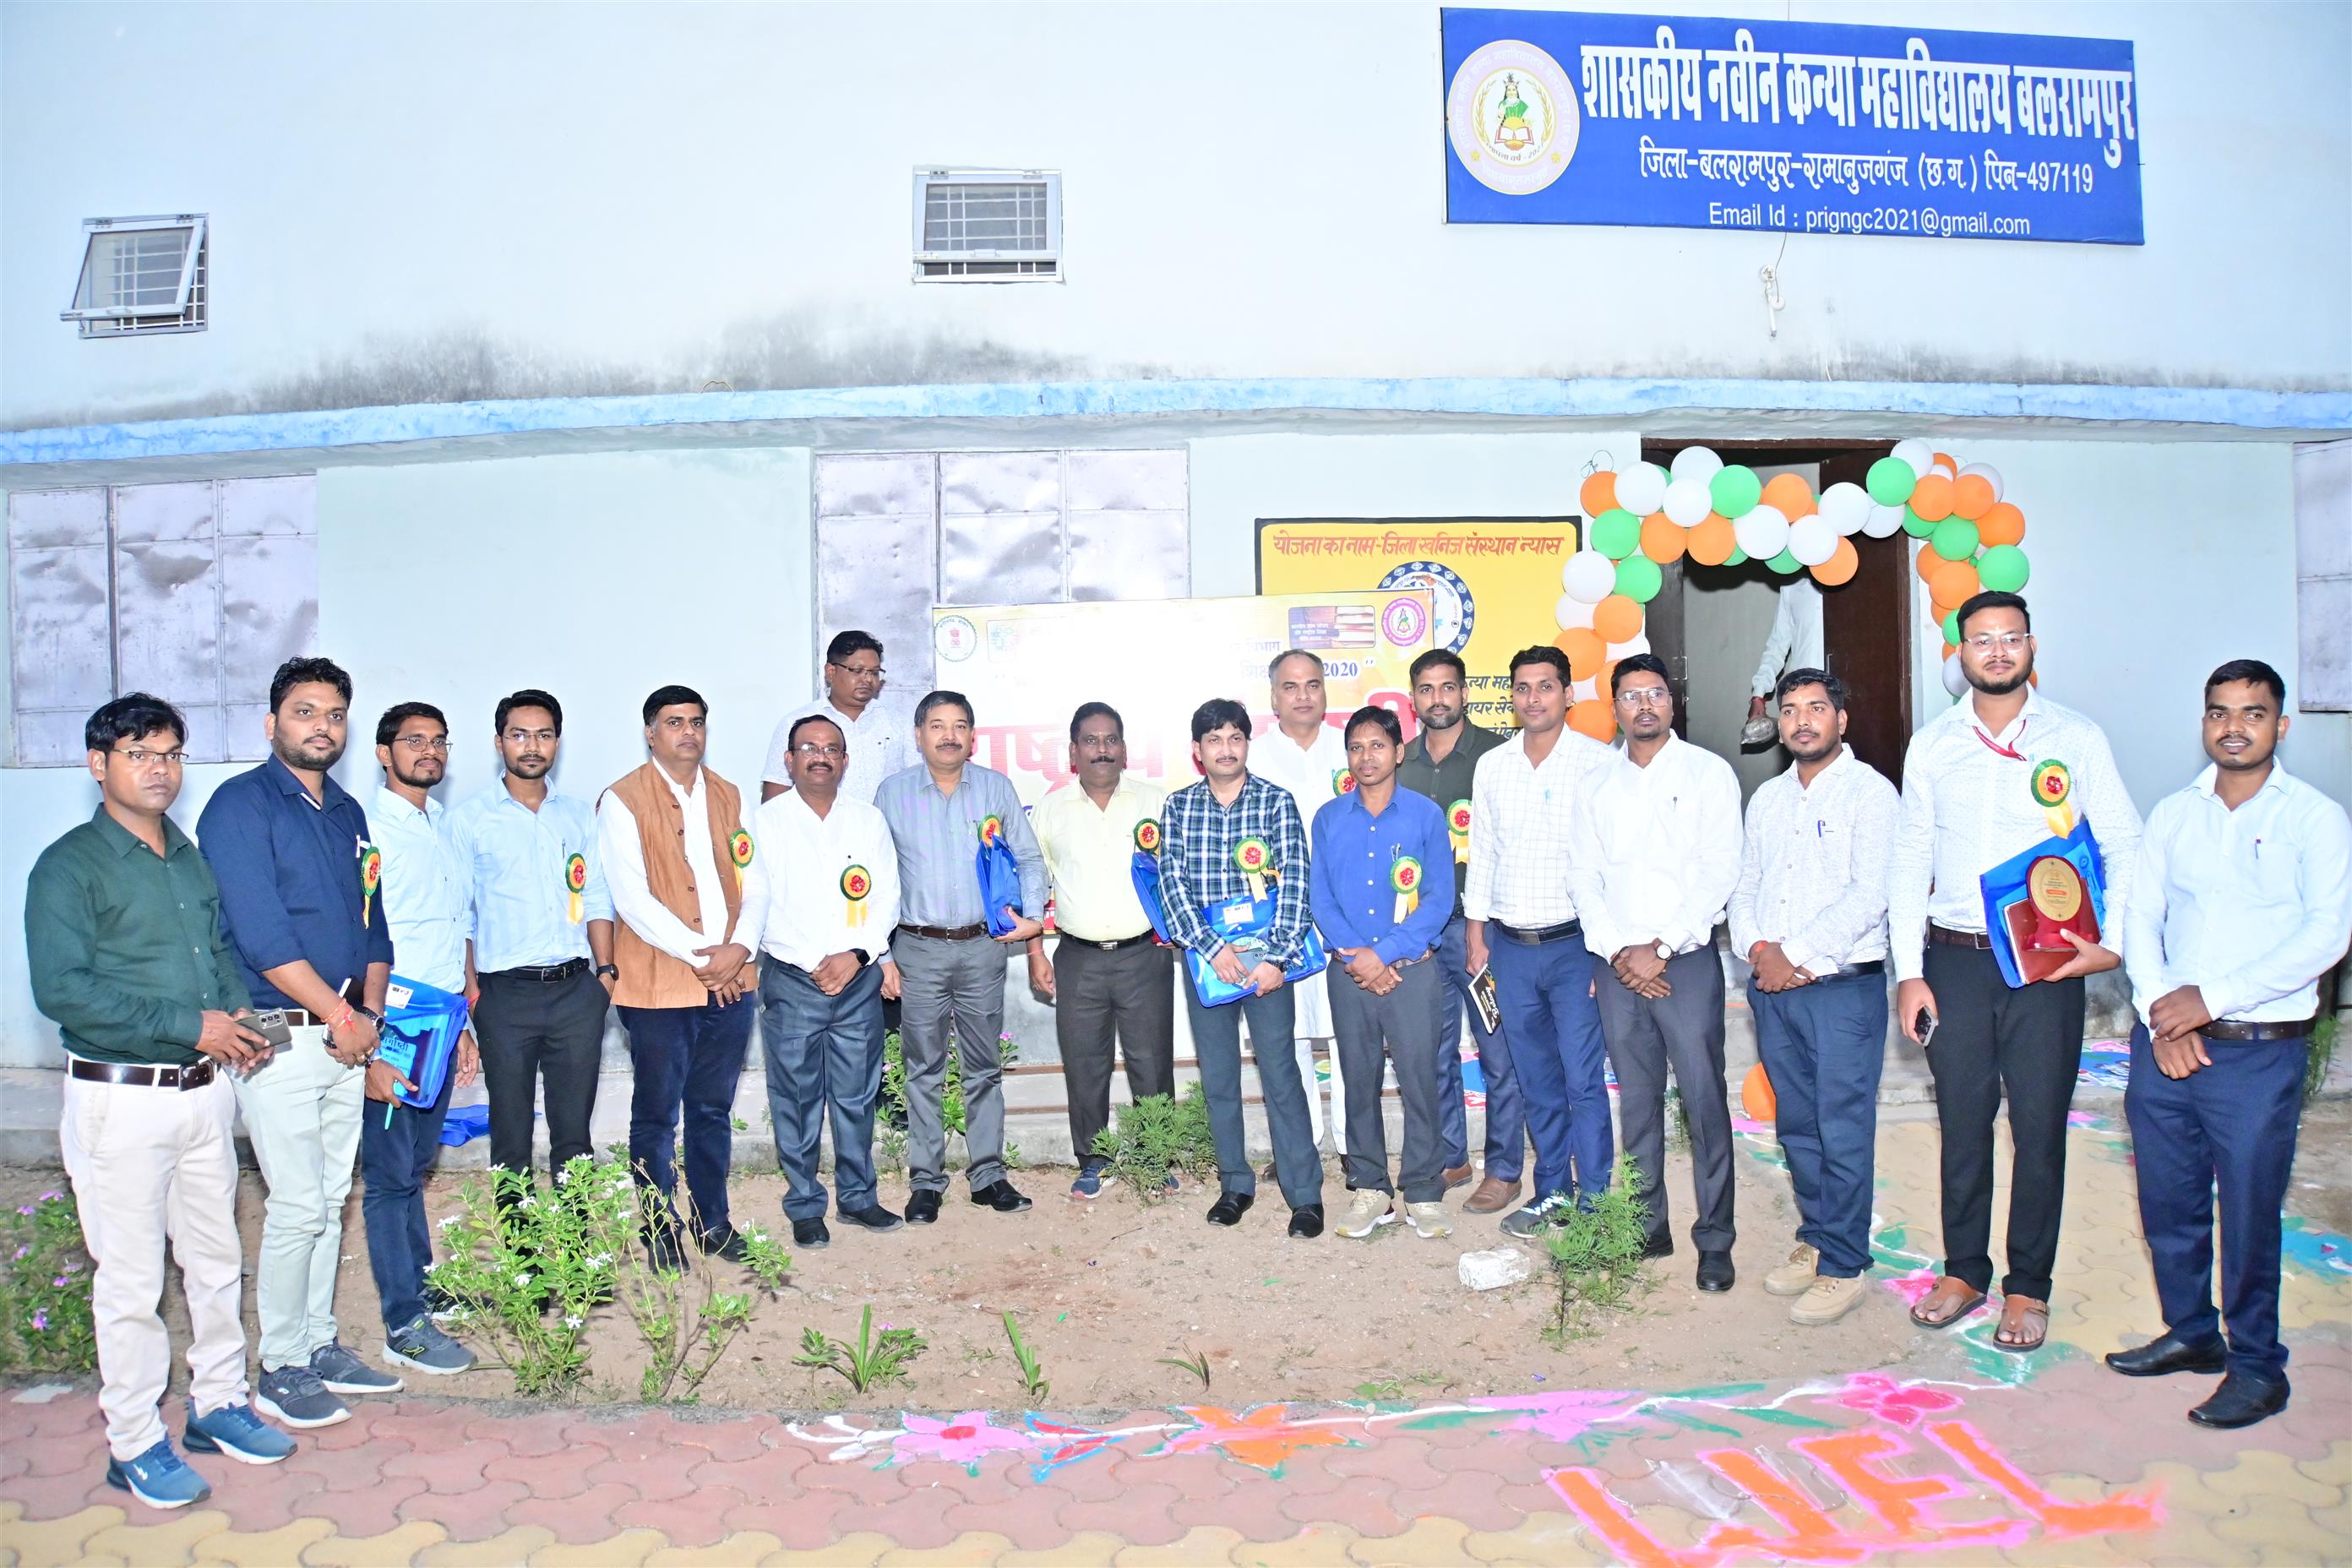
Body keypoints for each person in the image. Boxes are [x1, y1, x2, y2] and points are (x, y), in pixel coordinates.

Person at [28, 694, 296, 1508]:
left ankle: (218, 1403)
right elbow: (63, 991)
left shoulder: (187, 857)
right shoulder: (68, 866)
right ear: (98, 764)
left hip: (204, 1095)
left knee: (214, 1263)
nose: (160, 770)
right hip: (122, 1102)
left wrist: (239, 1020)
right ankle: (135, 1440)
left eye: (172, 754)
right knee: (132, 1281)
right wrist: (192, 1025)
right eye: (140, 754)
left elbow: (216, 953)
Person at [1892, 591, 2141, 1353]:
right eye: (1981, 640)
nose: (1997, 651)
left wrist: (2113, 945)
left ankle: (2028, 1286)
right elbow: (1909, 859)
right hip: (1954, 961)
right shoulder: (1932, 745)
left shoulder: (2076, 738)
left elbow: (2124, 841)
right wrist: (1910, 972)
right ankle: (1964, 1272)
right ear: (1960, 653)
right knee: (1962, 1126)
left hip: (2046, 967)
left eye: (2011, 638)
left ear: (2032, 647)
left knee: (2038, 1129)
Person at [2110, 659, 2352, 1429]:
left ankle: (2257, 1368)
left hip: (2256, 1051)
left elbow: (2327, 935)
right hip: (2168, 1045)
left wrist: (2208, 1001)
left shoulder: (2315, 819)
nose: (2234, 727)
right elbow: (2141, 918)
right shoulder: (2174, 814)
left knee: (2248, 1212)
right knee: (2168, 1202)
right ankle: (2192, 1334)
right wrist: (2162, 1014)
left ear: (2281, 725)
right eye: (2220, 712)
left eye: (2252, 713)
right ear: (2204, 722)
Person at [197, 656, 400, 1428]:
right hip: (278, 1036)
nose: (322, 726)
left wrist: (367, 1019)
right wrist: (344, 1018)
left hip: (346, 1037)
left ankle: (318, 1343)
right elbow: (263, 936)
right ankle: (279, 1364)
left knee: (330, 1198)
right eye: (305, 712)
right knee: (294, 1204)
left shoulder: (347, 812)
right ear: (272, 722)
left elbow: (372, 924)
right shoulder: (240, 806)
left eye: (334, 714)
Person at [1727, 669, 1899, 1325]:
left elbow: (1870, 893)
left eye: (1816, 708)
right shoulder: (1768, 799)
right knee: (1798, 1125)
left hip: (1841, 991)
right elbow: (1745, 886)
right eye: (1791, 710)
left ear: (1841, 720)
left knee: (1842, 1128)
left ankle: (1845, 1265)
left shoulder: (1871, 794)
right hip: (1775, 989)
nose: (1802, 720)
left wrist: (1791, 954)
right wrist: (1758, 950)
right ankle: (1819, 1236)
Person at [1568, 653, 1745, 1290]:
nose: (1645, 705)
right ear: (1614, 708)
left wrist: (1662, 947)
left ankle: (1715, 1240)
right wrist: (1620, 950)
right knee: (1638, 1103)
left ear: (1673, 703)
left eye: (1656, 694)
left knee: (1703, 1102)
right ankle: (1647, 1228)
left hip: (1685, 962)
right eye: (1631, 695)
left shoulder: (1708, 773)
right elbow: (1582, 875)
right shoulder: (1595, 785)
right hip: (1617, 965)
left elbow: (1721, 870)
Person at [597, 685, 758, 1268]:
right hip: (658, 983)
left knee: (712, 1109)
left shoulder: (729, 795)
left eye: (696, 722)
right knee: (658, 1114)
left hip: (733, 978)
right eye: (674, 722)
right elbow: (631, 898)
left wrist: (740, 948)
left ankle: (712, 1222)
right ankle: (659, 1228)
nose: (688, 732)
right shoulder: (621, 799)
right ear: (650, 732)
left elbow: (756, 879)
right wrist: (708, 959)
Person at [874, 690, 1047, 1221]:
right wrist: (881, 954)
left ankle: (989, 1176)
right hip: (917, 949)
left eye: (959, 726)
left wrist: (1032, 919)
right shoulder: (892, 793)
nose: (949, 735)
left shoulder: (996, 788)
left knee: (983, 1067)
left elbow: (1029, 859)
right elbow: (875, 878)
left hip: (982, 948)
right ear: (919, 734)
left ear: (972, 735)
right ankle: (926, 1182)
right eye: (937, 725)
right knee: (922, 1068)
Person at [1464, 647, 1615, 1240]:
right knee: (1537, 1080)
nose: (1533, 698)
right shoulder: (1493, 766)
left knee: (1582, 1080)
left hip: (1575, 945)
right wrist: (1476, 932)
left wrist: (1605, 951)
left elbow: (1611, 862)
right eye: (1523, 688)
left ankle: (1596, 1200)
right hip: (1510, 947)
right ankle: (1552, 1189)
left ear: (1568, 694)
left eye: (1546, 686)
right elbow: (1484, 851)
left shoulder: (1598, 762)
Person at [739, 713, 906, 1249]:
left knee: (858, 1095)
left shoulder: (868, 820)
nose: (821, 756)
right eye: (809, 748)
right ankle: (805, 1204)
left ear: (845, 761)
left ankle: (858, 1198)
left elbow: (887, 896)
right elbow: (758, 902)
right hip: (793, 978)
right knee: (796, 1097)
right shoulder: (761, 823)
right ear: (789, 760)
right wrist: (816, 960)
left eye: (832, 749)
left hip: (857, 979)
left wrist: (857, 955)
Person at [1160, 699, 1326, 1234]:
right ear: (1197, 750)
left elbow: (1297, 882)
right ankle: (1234, 1184)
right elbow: (1172, 886)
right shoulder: (1179, 808)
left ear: (1247, 744)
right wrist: (1213, 948)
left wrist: (1276, 958)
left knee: (1281, 1072)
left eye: (1235, 738)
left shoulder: (1276, 802)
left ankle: (1305, 1194)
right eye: (1214, 739)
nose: (1225, 749)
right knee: (1219, 1077)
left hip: (1269, 965)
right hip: (1210, 962)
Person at [446, 689, 616, 1201]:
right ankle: (522, 1246)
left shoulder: (578, 815)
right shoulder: (469, 819)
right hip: (504, 997)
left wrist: (605, 974)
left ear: (557, 743)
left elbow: (596, 895)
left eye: (543, 735)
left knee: (574, 1134)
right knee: (510, 1131)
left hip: (575, 992)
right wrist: (470, 992)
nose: (532, 746)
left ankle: (576, 1240)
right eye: (519, 735)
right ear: (499, 742)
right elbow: (460, 913)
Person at [1312, 706, 1458, 1240]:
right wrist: (1358, 958)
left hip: (1412, 973)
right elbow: (1321, 897)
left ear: (1398, 752)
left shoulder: (1425, 816)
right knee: (1358, 1079)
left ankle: (1422, 1190)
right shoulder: (1328, 818)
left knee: (1421, 1080)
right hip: (1349, 974)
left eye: (1377, 745)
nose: (1366, 756)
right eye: (1356, 747)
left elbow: (1439, 898)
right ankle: (1370, 1188)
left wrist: (1387, 953)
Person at [362, 703, 477, 1375]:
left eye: (438, 741)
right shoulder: (368, 831)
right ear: (385, 753)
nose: (429, 751)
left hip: (442, 1016)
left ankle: (422, 1284)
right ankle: (402, 1322)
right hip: (395, 1021)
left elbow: (457, 927)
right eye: (413, 741)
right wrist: (372, 1038)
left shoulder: (443, 827)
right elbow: (359, 936)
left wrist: (463, 1025)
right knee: (388, 1172)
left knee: (415, 1162)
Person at [1027, 702, 1177, 1197]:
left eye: (1111, 739)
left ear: (1125, 749)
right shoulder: (1050, 810)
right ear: (1073, 752)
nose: (1102, 750)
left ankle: (1156, 1156)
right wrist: (1035, 952)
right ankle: (1093, 1160)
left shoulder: (1157, 803)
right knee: (1085, 1065)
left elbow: (1178, 876)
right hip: (1078, 957)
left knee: (1151, 1062)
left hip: (1144, 955)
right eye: (1090, 741)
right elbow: (1033, 888)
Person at [1397, 648, 1512, 1208]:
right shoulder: (1401, 764)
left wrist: (1482, 925)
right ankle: (1451, 1158)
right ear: (1413, 699)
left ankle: (1505, 1168)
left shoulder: (1498, 755)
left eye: (1448, 687)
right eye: (1426, 689)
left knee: (1497, 1050)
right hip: (1423, 934)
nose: (1438, 698)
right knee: (1433, 1051)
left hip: (1482, 931)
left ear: (1465, 693)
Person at [1243, 649, 1351, 1157]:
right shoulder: (1254, 757)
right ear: (1274, 696)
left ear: (1325, 690)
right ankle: (1301, 1145)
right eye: (1290, 686)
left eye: (1312, 684)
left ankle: (1354, 1145)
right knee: (1291, 1036)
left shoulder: (1351, 746)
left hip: (1347, 913)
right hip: (1278, 915)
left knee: (1351, 1033)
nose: (1302, 695)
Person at [761, 630, 910, 806]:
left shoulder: (898, 724)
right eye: (857, 671)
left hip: (884, 823)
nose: (868, 679)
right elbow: (774, 799)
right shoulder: (796, 724)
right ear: (831, 672)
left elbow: (917, 786)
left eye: (874, 672)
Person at [1743, 578, 1824, 748]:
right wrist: (1759, 695)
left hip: (1847, 695)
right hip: (1802, 694)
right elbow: (1777, 645)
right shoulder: (1792, 585)